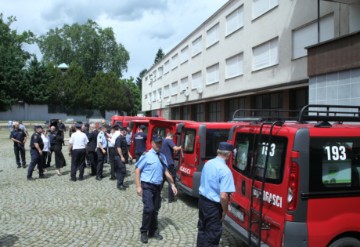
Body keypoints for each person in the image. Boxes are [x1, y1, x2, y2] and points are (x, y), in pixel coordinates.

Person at [135, 135, 178, 244]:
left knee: (155, 209)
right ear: (152, 143)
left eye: (160, 143)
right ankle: (144, 231)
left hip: (158, 186)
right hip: (147, 186)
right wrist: (138, 186)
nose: (159, 145)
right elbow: (137, 170)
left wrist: (172, 184)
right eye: (157, 143)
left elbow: (166, 171)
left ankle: (153, 231)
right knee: (149, 209)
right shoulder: (146, 156)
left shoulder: (162, 156)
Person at [196, 142, 235, 247]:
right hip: (213, 207)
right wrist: (224, 211)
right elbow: (223, 196)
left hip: (202, 201)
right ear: (229, 155)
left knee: (202, 230)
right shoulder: (225, 171)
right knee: (212, 236)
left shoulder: (208, 163)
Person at [160, 132, 182, 203]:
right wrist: (182, 147)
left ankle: (156, 194)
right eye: (172, 138)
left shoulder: (163, 141)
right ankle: (171, 198)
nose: (172, 139)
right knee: (171, 180)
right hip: (170, 163)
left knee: (162, 180)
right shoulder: (169, 140)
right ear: (170, 136)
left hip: (164, 163)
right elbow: (175, 148)